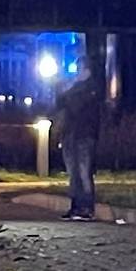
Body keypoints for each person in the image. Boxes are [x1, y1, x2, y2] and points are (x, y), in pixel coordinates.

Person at [54, 67, 108, 221]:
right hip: (70, 135)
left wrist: (69, 90)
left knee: (84, 172)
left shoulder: (91, 88)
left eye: (81, 70)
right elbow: (61, 104)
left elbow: (77, 105)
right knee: (73, 174)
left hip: (85, 135)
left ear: (87, 71)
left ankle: (87, 208)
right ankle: (75, 206)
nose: (78, 73)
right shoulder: (74, 88)